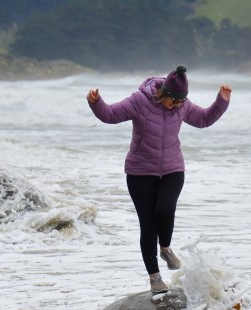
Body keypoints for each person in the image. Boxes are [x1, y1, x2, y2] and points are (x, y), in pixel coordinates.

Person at [87, 65, 232, 295]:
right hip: (140, 172)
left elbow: (204, 119)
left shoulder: (182, 105)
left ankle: (165, 248)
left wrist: (221, 101)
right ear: (163, 93)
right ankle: (154, 277)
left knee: (165, 209)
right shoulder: (139, 101)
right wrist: (96, 102)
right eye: (173, 101)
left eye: (180, 102)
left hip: (172, 169)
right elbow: (111, 114)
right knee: (148, 225)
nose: (176, 106)